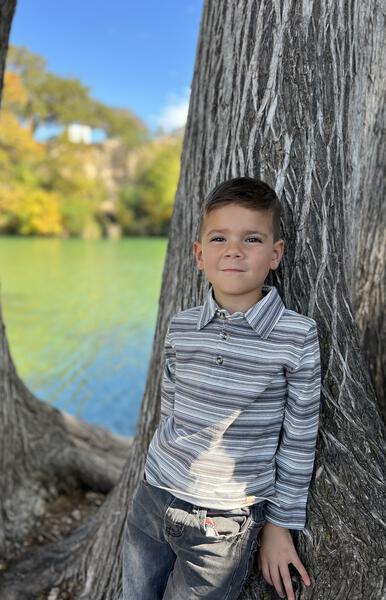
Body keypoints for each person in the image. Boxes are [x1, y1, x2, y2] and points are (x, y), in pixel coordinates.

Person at [122, 176, 321, 600]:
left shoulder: (296, 336)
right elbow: (170, 408)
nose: (233, 250)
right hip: (153, 496)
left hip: (223, 523)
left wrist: (280, 524)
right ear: (199, 254)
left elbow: (300, 438)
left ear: (275, 254)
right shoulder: (181, 327)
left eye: (251, 238)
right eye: (218, 238)